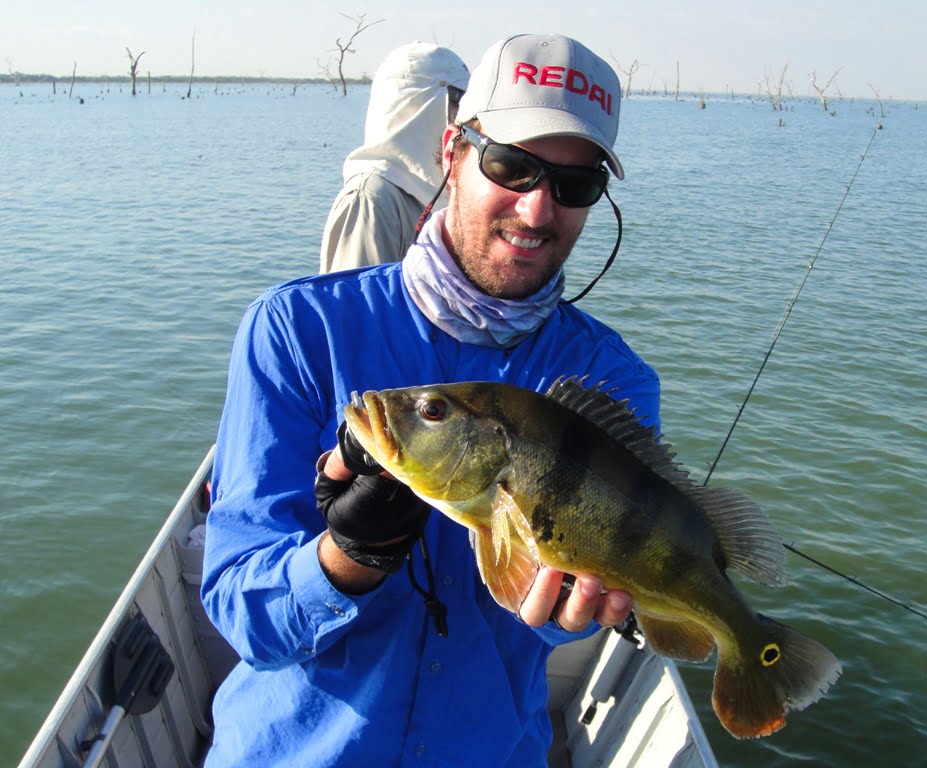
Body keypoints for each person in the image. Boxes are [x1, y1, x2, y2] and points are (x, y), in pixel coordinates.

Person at [203, 33, 661, 767]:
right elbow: (239, 609)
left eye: (575, 186)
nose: (536, 209)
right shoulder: (297, 331)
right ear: (452, 152)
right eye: (511, 165)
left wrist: (568, 613)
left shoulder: (611, 378)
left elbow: (571, 608)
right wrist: (345, 558)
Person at [319, 42, 469, 273]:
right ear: (420, 106)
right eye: (459, 101)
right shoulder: (371, 198)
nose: (466, 117)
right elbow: (360, 293)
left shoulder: (436, 188)